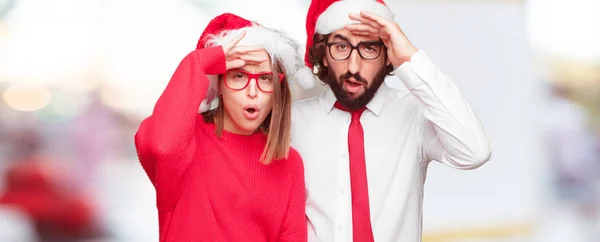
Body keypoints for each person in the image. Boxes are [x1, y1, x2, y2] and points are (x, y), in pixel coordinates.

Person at [290, 0, 492, 241]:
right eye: (341, 46)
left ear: (388, 56)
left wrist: (410, 58)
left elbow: (474, 152)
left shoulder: (415, 113)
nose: (354, 66)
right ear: (323, 55)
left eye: (370, 48)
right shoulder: (292, 122)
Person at [134, 13, 308, 242]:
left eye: (265, 79)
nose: (253, 91)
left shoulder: (289, 162)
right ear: (219, 85)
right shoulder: (187, 140)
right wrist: (199, 62)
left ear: (278, 90)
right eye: (238, 76)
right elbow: (161, 145)